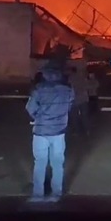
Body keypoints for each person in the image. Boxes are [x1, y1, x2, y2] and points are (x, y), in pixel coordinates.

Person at [26, 63, 74, 202]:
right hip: (59, 131)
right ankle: (57, 193)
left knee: (40, 162)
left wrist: (39, 117)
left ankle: (38, 194)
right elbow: (69, 106)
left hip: (41, 130)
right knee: (58, 162)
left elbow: (30, 108)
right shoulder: (68, 90)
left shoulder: (39, 90)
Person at [68, 65, 90, 136]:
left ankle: (77, 131)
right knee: (84, 115)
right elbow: (87, 86)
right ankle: (87, 130)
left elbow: (70, 88)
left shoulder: (70, 78)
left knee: (75, 116)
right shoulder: (82, 77)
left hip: (75, 99)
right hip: (84, 98)